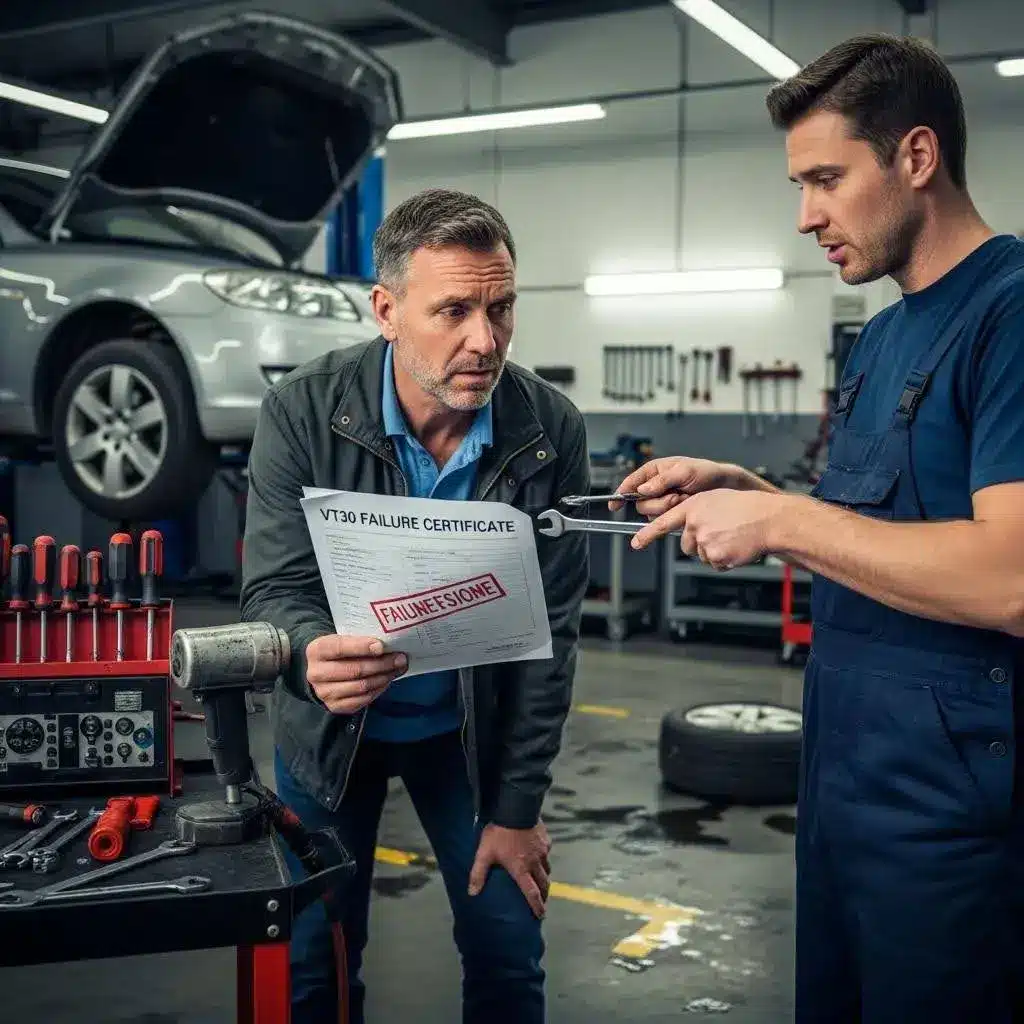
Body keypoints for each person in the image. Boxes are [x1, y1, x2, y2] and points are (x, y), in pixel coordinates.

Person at [616, 34, 1024, 1024]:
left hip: (954, 829)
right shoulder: (884, 332)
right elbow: (879, 529)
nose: (805, 216)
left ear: (915, 158)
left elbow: (1009, 577)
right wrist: (745, 491)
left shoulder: (1008, 314)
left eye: (827, 180)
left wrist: (781, 516)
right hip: (840, 796)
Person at [239, 187, 590, 1024]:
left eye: (502, 308)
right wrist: (304, 650)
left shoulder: (548, 430)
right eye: (455, 309)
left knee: (510, 955)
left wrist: (517, 810)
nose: (486, 339)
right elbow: (274, 588)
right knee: (315, 968)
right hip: (329, 739)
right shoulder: (301, 412)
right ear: (388, 310)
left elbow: (552, 639)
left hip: (469, 742)